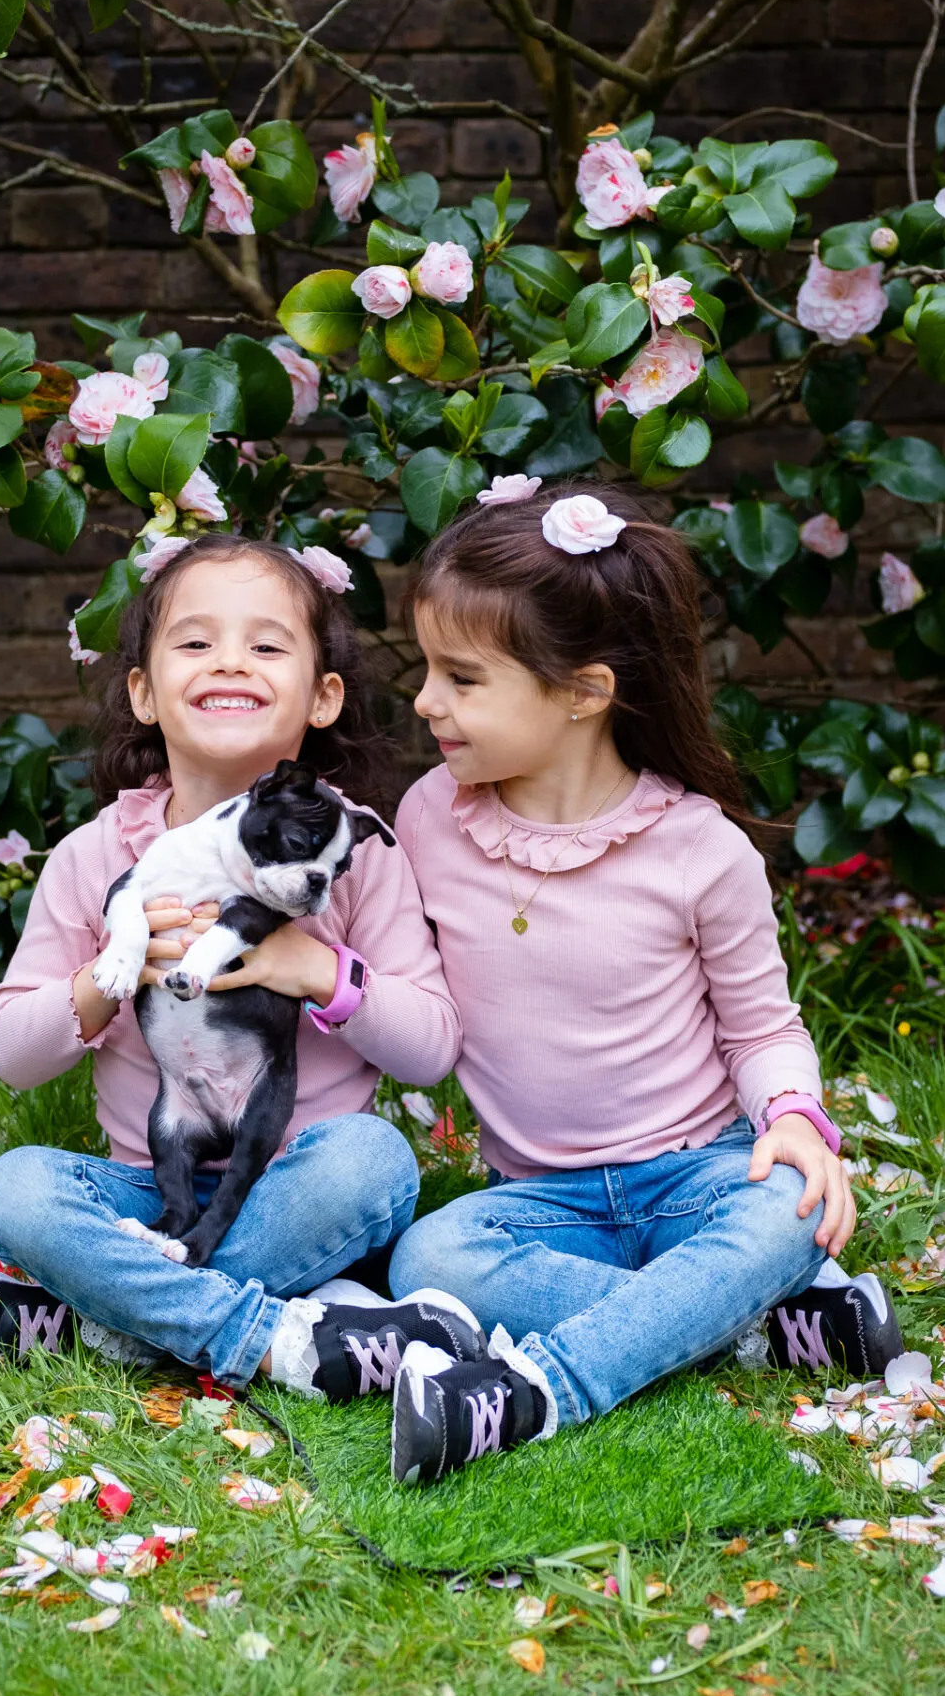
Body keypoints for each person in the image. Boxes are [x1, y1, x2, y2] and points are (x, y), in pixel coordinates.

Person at [384, 481, 903, 1485]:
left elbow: (758, 1031)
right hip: (536, 1202)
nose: (424, 702)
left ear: (581, 692)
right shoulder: (426, 819)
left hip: (697, 1176)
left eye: (459, 678)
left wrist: (793, 1117)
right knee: (429, 1262)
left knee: (785, 1204)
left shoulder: (696, 852)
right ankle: (745, 1325)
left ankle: (532, 1392)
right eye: (426, 672)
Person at [0, 535, 486, 1402]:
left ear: (324, 696)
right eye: (196, 643)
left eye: (267, 646)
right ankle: (275, 1329)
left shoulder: (350, 856)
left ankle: (109, 1316)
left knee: (375, 1160)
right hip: (152, 1190)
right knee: (19, 1190)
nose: (230, 661)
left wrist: (320, 970)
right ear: (144, 694)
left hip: (303, 1185)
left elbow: (432, 1049)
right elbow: (11, 1055)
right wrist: (105, 977)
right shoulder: (96, 859)